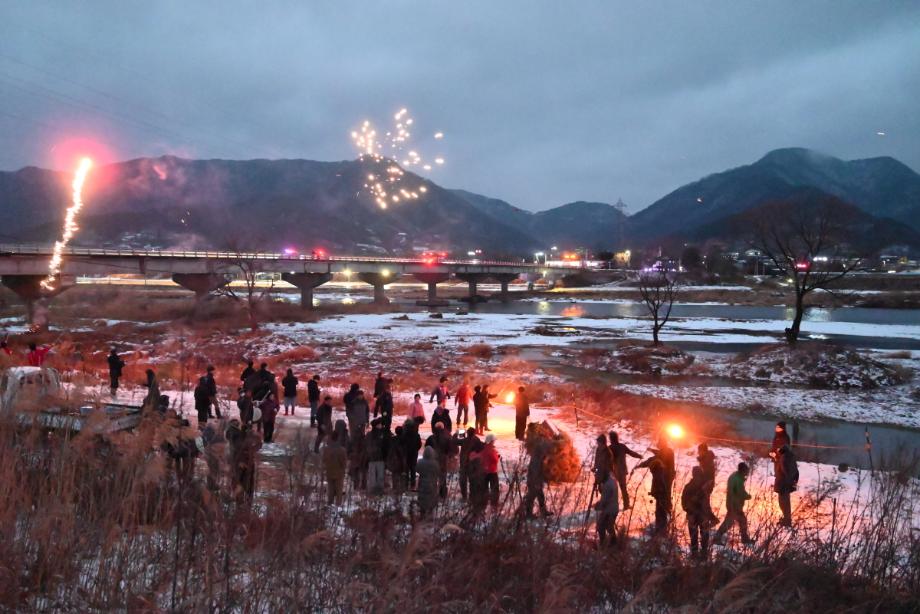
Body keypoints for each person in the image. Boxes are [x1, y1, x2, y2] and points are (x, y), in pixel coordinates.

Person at [715, 462, 754, 545]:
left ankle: (745, 538)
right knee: (729, 523)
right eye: (746, 471)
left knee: (742, 521)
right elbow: (741, 493)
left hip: (732, 503)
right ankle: (717, 538)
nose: (747, 473)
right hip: (735, 505)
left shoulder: (734, 476)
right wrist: (748, 496)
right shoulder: (738, 480)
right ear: (743, 471)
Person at [227, 419, 262, 504]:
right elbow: (259, 444)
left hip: (238, 461)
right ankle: (247, 500)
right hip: (247, 461)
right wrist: (251, 451)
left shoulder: (232, 436)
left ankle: (239, 500)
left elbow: (235, 450)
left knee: (238, 481)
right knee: (248, 482)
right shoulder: (247, 435)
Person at [682, 466, 714, 557]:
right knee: (699, 536)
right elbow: (684, 503)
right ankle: (699, 554)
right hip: (697, 516)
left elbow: (684, 503)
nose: (698, 477)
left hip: (698, 516)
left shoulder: (692, 487)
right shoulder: (701, 487)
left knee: (699, 536)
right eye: (698, 475)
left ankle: (699, 554)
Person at [636, 452, 671, 535]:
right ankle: (661, 529)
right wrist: (653, 492)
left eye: (651, 470)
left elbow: (661, 486)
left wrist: (658, 493)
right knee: (660, 513)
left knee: (660, 513)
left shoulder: (658, 475)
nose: (651, 471)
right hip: (660, 496)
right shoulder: (660, 473)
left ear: (654, 468)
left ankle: (661, 531)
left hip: (661, 497)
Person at [609, 431, 642, 509]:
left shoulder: (610, 448)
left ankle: (612, 505)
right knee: (623, 488)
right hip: (622, 471)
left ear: (611, 439)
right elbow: (631, 453)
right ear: (617, 438)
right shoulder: (622, 446)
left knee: (613, 489)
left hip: (614, 471)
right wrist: (639, 456)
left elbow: (607, 460)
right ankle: (626, 505)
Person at [522, 438, 552, 518]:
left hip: (537, 480)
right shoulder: (536, 459)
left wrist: (544, 478)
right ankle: (528, 514)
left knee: (540, 496)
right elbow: (535, 471)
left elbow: (541, 470)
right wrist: (536, 483)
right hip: (533, 481)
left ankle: (543, 511)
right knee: (531, 497)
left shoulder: (539, 457)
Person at [322, 420, 348, 505]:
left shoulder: (326, 449)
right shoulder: (342, 450)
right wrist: (343, 469)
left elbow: (324, 460)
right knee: (339, 490)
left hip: (329, 471)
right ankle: (338, 505)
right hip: (339, 472)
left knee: (330, 489)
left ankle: (329, 503)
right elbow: (344, 462)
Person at [425, 422, 453, 499]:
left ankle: (432, 493)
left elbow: (427, 447)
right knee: (443, 478)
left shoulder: (431, 438)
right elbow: (451, 449)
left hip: (432, 459)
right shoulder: (447, 437)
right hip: (443, 460)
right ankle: (443, 494)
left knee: (432, 477)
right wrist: (448, 456)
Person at [774, 444, 799, 527]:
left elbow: (785, 471)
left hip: (783, 484)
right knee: (786, 502)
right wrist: (793, 482)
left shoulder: (783, 458)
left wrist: (785, 482)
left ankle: (787, 521)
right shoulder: (791, 457)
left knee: (782, 503)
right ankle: (787, 519)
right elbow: (796, 471)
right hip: (788, 484)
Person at [365, 419, 389, 495]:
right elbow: (385, 446)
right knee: (380, 476)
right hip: (380, 457)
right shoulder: (382, 434)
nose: (381, 425)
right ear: (377, 425)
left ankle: (372, 491)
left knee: (372, 475)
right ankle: (379, 491)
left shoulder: (369, 434)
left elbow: (366, 446)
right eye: (380, 424)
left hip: (372, 458)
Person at [595, 472, 619, 547]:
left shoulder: (607, 485)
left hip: (609, 510)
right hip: (614, 508)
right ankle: (613, 543)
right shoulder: (612, 480)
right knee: (609, 526)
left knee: (600, 526)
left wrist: (597, 506)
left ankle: (604, 544)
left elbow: (604, 501)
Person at [416, 446, 440, 517]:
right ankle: (430, 512)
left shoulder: (420, 462)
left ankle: (422, 513)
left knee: (422, 497)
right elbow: (438, 472)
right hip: (432, 483)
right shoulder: (435, 463)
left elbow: (417, 469)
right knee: (431, 497)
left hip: (422, 483)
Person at [458, 427, 481, 500]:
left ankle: (464, 496)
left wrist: (457, 434)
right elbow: (480, 450)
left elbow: (455, 441)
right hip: (472, 464)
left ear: (467, 433)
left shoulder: (464, 440)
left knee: (463, 481)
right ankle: (472, 496)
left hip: (464, 463)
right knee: (472, 481)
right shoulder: (477, 440)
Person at [467, 438, 488, 515]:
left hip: (473, 479)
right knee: (480, 494)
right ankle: (479, 509)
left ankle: (474, 509)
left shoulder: (471, 455)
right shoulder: (479, 458)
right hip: (479, 480)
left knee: (473, 493)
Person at [401, 418, 422, 489]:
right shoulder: (416, 433)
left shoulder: (404, 433)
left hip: (406, 454)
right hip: (414, 454)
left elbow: (402, 443)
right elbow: (419, 444)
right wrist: (415, 449)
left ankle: (405, 485)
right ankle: (413, 485)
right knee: (413, 469)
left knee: (406, 469)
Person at [481, 433, 501, 507]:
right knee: (494, 488)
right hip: (492, 471)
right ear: (491, 441)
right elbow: (495, 460)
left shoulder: (483, 448)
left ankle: (483, 502)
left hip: (484, 471)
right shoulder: (491, 449)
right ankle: (494, 503)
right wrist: (497, 456)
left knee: (484, 488)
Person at [387, 425, 408, 492]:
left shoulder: (392, 439)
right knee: (402, 475)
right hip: (401, 459)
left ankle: (395, 487)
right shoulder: (404, 440)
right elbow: (405, 450)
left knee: (395, 475)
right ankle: (401, 489)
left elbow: (390, 450)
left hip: (394, 459)